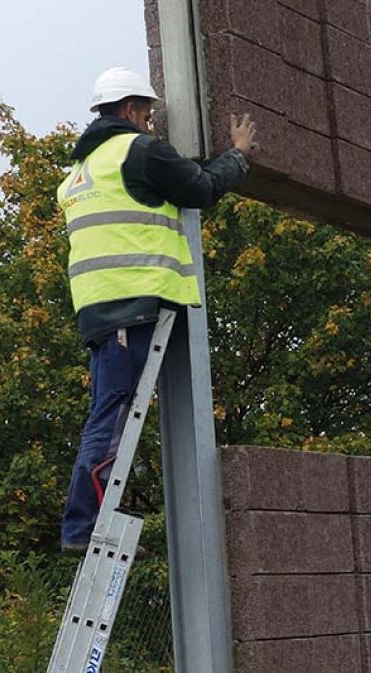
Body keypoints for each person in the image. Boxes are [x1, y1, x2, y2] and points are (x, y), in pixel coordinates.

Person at [57, 67, 257, 552]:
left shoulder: (78, 174)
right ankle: (85, 528)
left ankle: (84, 524)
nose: (150, 123)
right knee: (113, 414)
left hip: (101, 308)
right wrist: (239, 156)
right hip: (134, 299)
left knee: (109, 409)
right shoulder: (139, 151)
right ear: (129, 110)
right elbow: (202, 189)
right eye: (147, 113)